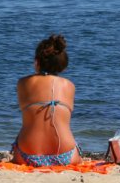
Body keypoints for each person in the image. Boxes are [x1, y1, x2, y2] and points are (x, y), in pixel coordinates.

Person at [11, 34, 82, 166]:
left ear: (37, 62)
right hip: (66, 155)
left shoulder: (23, 83)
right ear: (63, 66)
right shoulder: (69, 86)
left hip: (26, 155)